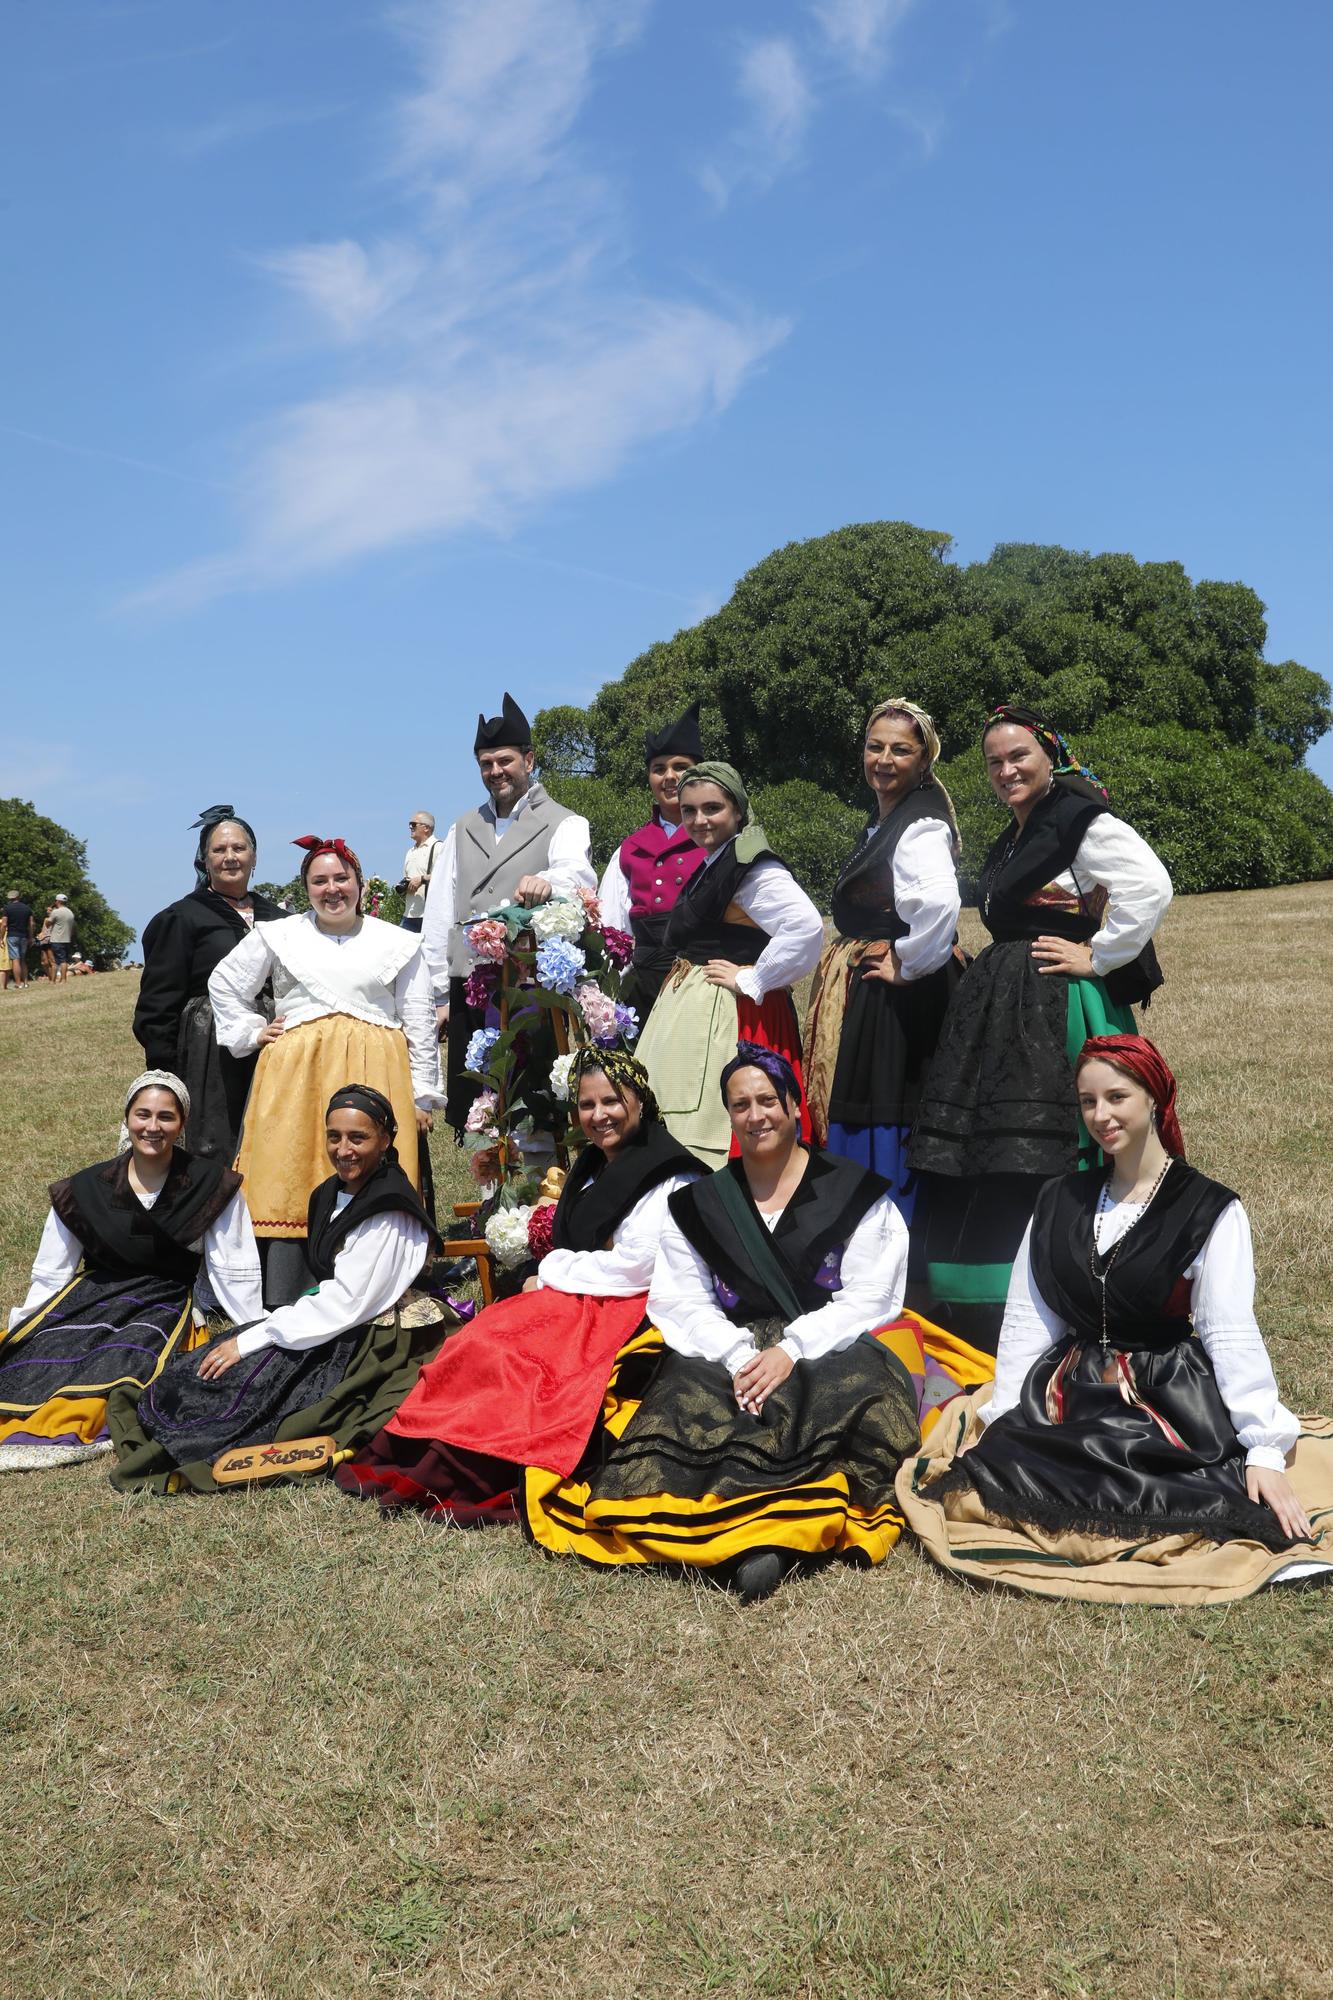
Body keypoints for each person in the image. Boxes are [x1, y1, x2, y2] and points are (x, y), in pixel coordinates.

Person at [897, 1037, 1333, 1603]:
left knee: (1170, 1496)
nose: (1100, 1115)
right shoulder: (1059, 1198)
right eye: (1087, 1101)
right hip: (1068, 1389)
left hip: (1164, 1395)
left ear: (1155, 1097)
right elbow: (1031, 1318)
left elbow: (1229, 1331)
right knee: (996, 1473)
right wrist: (1005, 1411)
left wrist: (1265, 1447)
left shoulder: (1208, 1209)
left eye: (1116, 1096)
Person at [522, 1045, 960, 1602]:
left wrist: (791, 1349)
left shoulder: (854, 1192)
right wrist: (735, 1356)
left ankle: (775, 1542)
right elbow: (681, 1300)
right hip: (728, 1344)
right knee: (687, 1407)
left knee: (839, 1404)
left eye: (767, 1101)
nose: (756, 1116)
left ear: (795, 1107)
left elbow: (871, 1296)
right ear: (728, 1116)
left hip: (827, 1340)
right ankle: (732, 1539)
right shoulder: (701, 1204)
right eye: (740, 1105)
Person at [909, 706, 1173, 1365]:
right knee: (990, 1153)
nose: (1005, 771)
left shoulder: (1079, 819)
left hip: (1058, 1008)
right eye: (994, 762)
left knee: (1062, 1146)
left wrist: (1100, 955)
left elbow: (1148, 885)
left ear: (1048, 756)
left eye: (1017, 756)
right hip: (1001, 1013)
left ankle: (1083, 1295)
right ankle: (995, 1309)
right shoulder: (1015, 831)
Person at [335, 1047, 700, 1521]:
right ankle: (423, 1452)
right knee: (477, 1340)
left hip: (630, 1307)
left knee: (513, 1361)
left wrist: (550, 1272)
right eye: (587, 1105)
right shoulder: (597, 1163)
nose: (598, 1115)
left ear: (640, 1100)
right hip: (581, 1294)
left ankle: (470, 1468)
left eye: (612, 1101)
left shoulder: (669, 1173)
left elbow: (639, 1267)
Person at [110, 1086, 447, 1495]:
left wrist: (258, 1336)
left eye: (358, 1138)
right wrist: (258, 1334)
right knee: (211, 1368)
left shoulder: (389, 1209)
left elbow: (350, 1303)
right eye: (334, 1136)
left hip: (378, 1337)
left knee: (270, 1397)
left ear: (386, 1140)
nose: (344, 1150)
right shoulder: (329, 1192)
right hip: (332, 1320)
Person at [209, 836, 443, 1303]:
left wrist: (421, 1094)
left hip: (377, 1068)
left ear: (359, 883)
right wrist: (252, 1031)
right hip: (297, 1074)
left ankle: (380, 1279)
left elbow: (417, 1016)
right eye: (320, 881)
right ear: (306, 888)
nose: (332, 889)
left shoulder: (396, 941)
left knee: (372, 1162)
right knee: (293, 1162)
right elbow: (225, 983)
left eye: (341, 878)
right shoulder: (279, 934)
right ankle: (288, 1284)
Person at [0, 1071, 261, 1473]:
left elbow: (234, 1267)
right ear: (126, 1119)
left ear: (182, 1123)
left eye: (165, 1117)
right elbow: (52, 1275)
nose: (152, 1127)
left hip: (163, 1302)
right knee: (52, 1354)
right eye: (142, 1115)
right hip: (90, 1296)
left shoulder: (212, 1184)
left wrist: (253, 1332)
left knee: (121, 1364)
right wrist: (28, 1323)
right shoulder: (85, 1188)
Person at [803, 698, 962, 1219]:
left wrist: (908, 962)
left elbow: (939, 902)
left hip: (900, 1003)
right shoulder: (884, 821)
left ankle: (893, 1234)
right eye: (875, 747)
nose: (884, 759)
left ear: (923, 761)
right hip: (879, 994)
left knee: (888, 1105)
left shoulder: (920, 826)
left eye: (901, 750)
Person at [421, 693, 595, 1137]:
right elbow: (440, 910)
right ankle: (488, 1201)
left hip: (527, 986)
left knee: (531, 1105)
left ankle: (540, 1201)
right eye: (486, 763)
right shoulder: (461, 827)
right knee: (479, 1111)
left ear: (529, 760)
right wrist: (440, 993)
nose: (495, 771)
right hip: (470, 986)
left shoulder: (565, 822)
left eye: (504, 760)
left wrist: (549, 882)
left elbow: (578, 876)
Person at [633, 763, 823, 1168]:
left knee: (718, 1135)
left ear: (737, 810)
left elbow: (804, 926)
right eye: (689, 811)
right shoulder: (718, 860)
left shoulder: (751, 866)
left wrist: (753, 977)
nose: (699, 820)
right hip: (698, 1010)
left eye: (712, 808)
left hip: (726, 1016)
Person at [134, 807, 286, 1163]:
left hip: (277, 1045)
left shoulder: (281, 919)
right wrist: (165, 1078)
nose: (230, 857)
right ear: (204, 859)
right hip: (210, 1055)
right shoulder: (182, 918)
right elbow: (158, 1005)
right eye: (219, 850)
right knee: (218, 1147)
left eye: (239, 848)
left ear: (254, 856)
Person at [597, 702, 708, 1015]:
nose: (669, 777)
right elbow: (612, 927)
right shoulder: (630, 848)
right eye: (659, 769)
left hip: (701, 979)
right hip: (643, 984)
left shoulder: (719, 840)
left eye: (680, 767)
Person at [399, 811, 440, 933]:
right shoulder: (410, 852)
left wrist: (421, 879)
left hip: (430, 914)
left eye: (413, 824)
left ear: (426, 828)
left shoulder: (438, 847)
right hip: (409, 913)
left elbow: (446, 875)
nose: (410, 828)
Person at [3, 888, 33, 992]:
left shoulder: (7, 908)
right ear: (18, 897)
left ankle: (18, 983)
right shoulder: (27, 908)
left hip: (12, 935)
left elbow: (4, 924)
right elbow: (31, 924)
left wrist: (0, 936)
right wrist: (31, 937)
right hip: (24, 936)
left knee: (15, 959)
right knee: (23, 959)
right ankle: (25, 983)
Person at [46, 894, 76, 981]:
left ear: (58, 901)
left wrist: (49, 914)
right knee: (64, 960)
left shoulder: (56, 912)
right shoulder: (70, 912)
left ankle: (62, 980)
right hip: (67, 939)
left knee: (57, 961)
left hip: (57, 939)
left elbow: (47, 924)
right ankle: (61, 979)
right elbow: (73, 927)